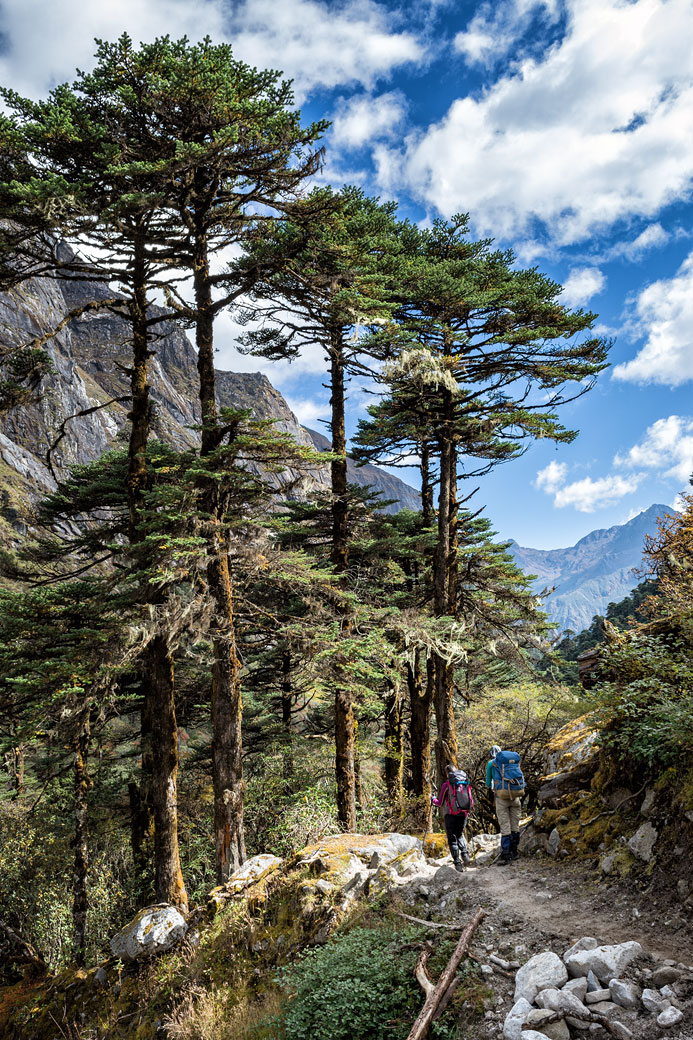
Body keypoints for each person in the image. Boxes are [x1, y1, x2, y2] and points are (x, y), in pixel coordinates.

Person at [431, 763, 472, 872]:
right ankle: (465, 855)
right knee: (459, 834)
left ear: (447, 773)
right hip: (463, 813)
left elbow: (439, 803)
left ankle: (457, 863)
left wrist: (433, 799)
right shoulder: (464, 782)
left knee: (452, 838)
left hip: (450, 815)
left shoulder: (447, 784)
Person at [486, 745, 522, 865]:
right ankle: (515, 852)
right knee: (515, 825)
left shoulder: (491, 764)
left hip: (501, 797)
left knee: (505, 825)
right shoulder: (512, 762)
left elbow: (487, 783)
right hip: (516, 796)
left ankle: (506, 854)